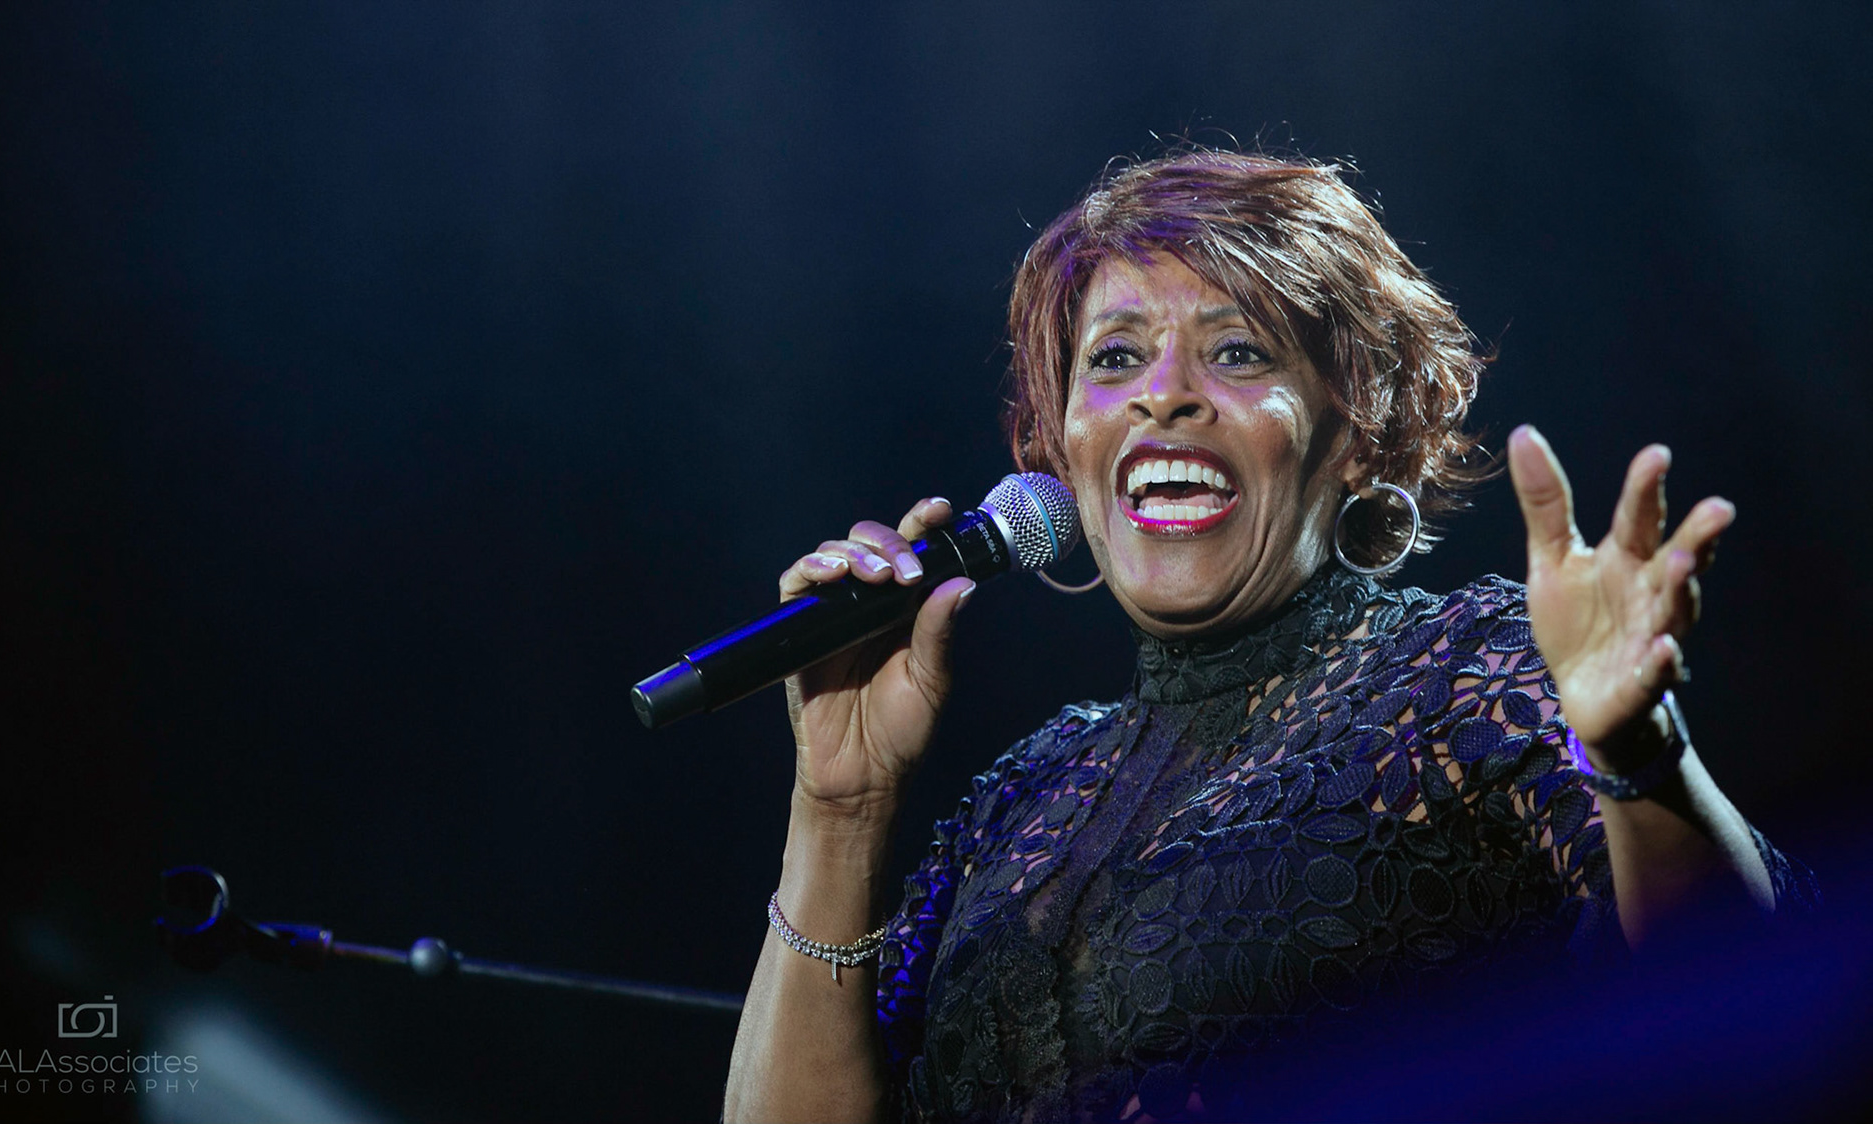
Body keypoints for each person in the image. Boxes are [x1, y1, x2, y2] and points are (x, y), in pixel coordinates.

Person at [721, 149, 1810, 1123]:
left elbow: (1753, 998)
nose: (1163, 398)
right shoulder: (1020, 796)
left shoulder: (1459, 678)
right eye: (1115, 357)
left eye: (1238, 352)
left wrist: (1635, 752)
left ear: (1358, 434)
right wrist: (840, 810)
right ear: (1064, 450)